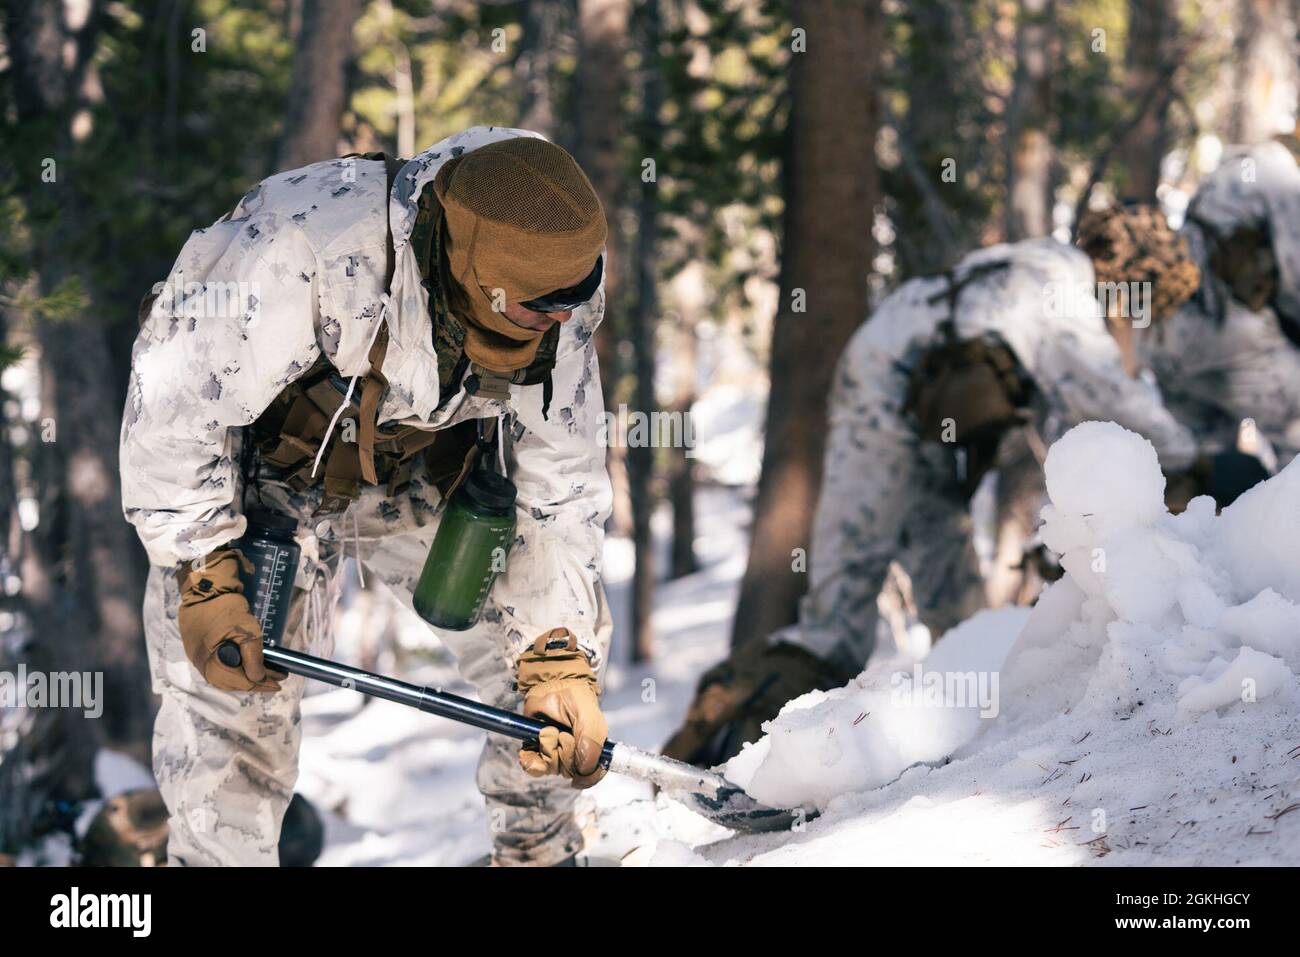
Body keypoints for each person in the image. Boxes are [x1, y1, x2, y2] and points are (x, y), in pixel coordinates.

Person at [121, 127, 614, 867]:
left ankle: (539, 854)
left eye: (572, 304)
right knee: (230, 711)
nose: (562, 322)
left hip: (425, 484)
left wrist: (556, 645)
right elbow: (174, 400)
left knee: (548, 699)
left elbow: (563, 483)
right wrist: (202, 567)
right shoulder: (304, 247)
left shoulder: (560, 286)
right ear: (477, 273)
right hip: (260, 493)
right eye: (540, 309)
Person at [664, 205, 1201, 768]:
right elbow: (1106, 394)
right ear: (1126, 269)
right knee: (838, 626)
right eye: (1142, 295)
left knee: (958, 612)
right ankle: (738, 759)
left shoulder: (1029, 262)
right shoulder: (1058, 283)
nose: (1135, 318)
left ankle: (955, 739)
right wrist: (1195, 461)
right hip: (883, 407)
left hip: (909, 410)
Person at [1143, 130, 1300, 474]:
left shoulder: (1226, 175)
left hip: (1166, 338)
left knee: (1197, 467)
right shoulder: (1282, 177)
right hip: (1226, 336)